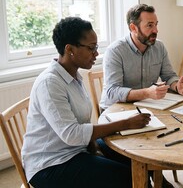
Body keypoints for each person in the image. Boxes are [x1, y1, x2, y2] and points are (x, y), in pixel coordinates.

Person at [21, 17, 152, 188]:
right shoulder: (50, 83)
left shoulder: (74, 76)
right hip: (50, 164)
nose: (96, 53)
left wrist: (94, 147)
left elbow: (80, 123)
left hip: (75, 151)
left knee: (134, 158)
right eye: (91, 48)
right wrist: (125, 124)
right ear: (70, 49)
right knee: (127, 176)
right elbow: (72, 134)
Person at [99, 4, 183, 111]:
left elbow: (169, 76)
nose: (156, 30)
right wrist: (147, 93)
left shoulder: (159, 47)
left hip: (145, 105)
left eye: (156, 25)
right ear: (133, 28)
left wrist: (177, 86)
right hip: (115, 109)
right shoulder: (115, 51)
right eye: (150, 25)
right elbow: (112, 92)